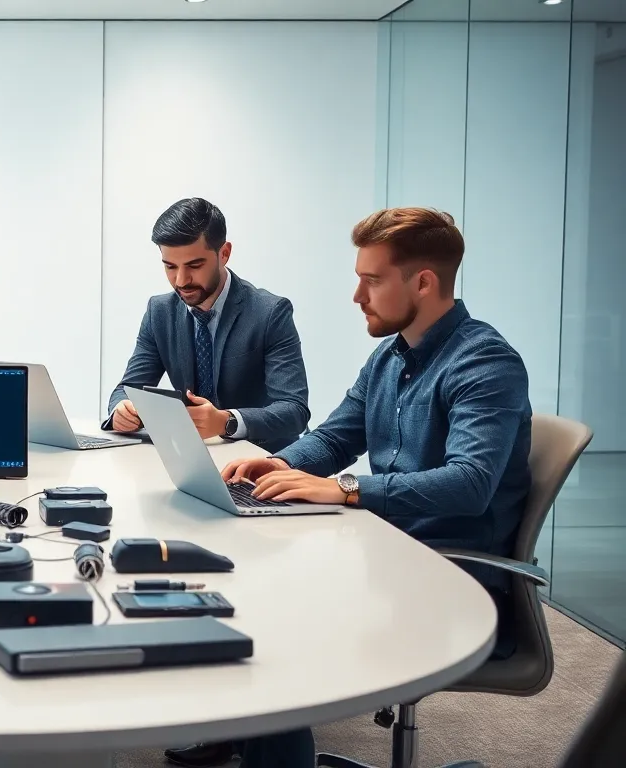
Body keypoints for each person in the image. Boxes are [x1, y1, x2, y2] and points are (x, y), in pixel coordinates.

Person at [165, 207, 532, 768]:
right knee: (244, 582)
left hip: (448, 579)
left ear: (423, 283)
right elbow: (336, 437)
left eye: (372, 280)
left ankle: (264, 746)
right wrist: (274, 465)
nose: (357, 296)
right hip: (385, 552)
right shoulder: (389, 356)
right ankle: (253, 739)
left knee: (274, 620)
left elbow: (470, 484)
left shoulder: (485, 363)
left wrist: (346, 489)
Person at [104, 197, 310, 453]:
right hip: (191, 455)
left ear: (224, 254)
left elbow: (294, 410)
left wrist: (226, 421)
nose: (181, 280)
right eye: (170, 266)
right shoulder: (159, 312)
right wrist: (121, 409)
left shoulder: (270, 313)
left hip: (264, 458)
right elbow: (127, 389)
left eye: (195, 265)